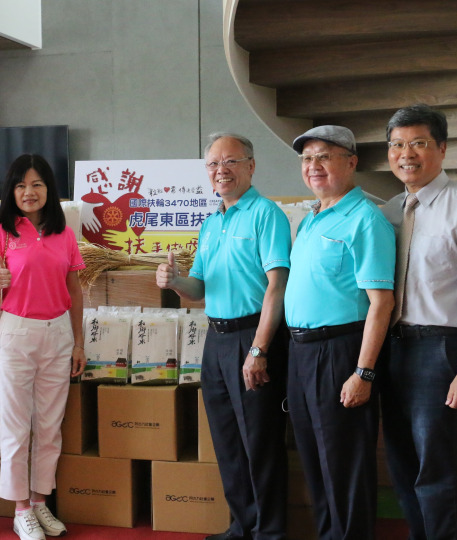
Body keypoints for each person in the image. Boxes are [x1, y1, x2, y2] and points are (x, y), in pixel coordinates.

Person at [379, 104, 457, 540]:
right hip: (392, 348)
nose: (406, 154)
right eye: (397, 144)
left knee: (436, 466)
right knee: (401, 462)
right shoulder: (389, 211)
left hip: (440, 350)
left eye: (418, 143)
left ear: (443, 148)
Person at [156, 133, 291, 540]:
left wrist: (259, 349)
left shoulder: (266, 214)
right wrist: (174, 281)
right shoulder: (211, 223)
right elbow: (199, 288)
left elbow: (277, 286)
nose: (221, 170)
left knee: (260, 443)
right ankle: (241, 527)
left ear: (251, 166)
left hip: (254, 337)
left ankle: (269, 532)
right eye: (214, 164)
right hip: (215, 340)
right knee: (228, 441)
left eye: (231, 161)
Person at [283, 126, 395, 539]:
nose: (313, 166)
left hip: (340, 352)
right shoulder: (311, 218)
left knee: (344, 464)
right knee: (315, 460)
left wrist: (363, 372)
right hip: (301, 353)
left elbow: (382, 304)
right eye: (307, 158)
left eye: (324, 156)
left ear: (351, 162)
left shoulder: (365, 220)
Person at [0, 154, 87, 540]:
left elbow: (74, 289)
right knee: (16, 424)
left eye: (37, 184)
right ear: (11, 191)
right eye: (21, 185)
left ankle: (41, 501)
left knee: (49, 425)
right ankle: (20, 509)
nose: (29, 192)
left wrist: (78, 342)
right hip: (16, 332)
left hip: (58, 333)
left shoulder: (64, 234)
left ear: (49, 189)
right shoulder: (1, 233)